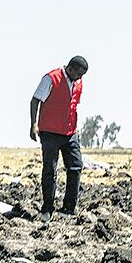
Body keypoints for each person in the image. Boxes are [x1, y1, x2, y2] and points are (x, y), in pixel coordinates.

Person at [30, 56, 88, 222]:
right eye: (79, 73)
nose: (80, 78)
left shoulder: (78, 83)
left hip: (70, 133)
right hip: (49, 132)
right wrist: (34, 124)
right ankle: (47, 209)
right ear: (71, 68)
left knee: (76, 166)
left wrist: (76, 129)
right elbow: (35, 100)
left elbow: (72, 106)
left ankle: (68, 209)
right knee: (50, 170)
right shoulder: (51, 78)